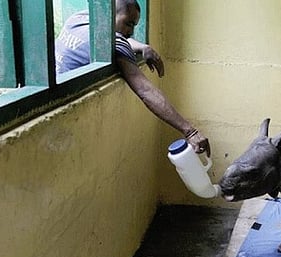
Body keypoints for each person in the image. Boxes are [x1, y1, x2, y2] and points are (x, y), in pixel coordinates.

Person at [55, 0, 210, 156]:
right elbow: (145, 90)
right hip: (63, 125)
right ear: (111, 16)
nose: (131, 31)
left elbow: (118, 37)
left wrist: (142, 46)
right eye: (128, 24)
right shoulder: (117, 44)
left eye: (134, 26)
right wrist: (190, 131)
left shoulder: (78, 18)